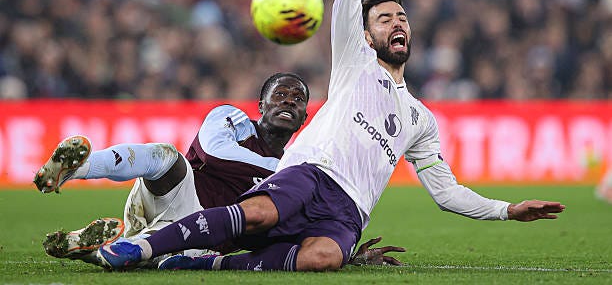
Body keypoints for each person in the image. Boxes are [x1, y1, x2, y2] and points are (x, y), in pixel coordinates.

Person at [95, 0, 565, 272]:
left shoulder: (420, 119)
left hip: (350, 209)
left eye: (402, 17)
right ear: (364, 33)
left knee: (323, 258)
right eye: (384, 18)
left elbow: (446, 193)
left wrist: (507, 210)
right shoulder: (354, 64)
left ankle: (200, 265)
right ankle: (143, 246)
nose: (396, 23)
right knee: (260, 213)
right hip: (311, 172)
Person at [36, 72, 402, 267]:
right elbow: (213, 153)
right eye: (280, 95)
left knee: (159, 259)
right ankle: (78, 166)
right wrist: (282, 167)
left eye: (298, 99)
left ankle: (90, 249)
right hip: (175, 192)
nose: (288, 101)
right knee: (164, 155)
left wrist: (345, 252)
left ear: (305, 117)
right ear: (261, 103)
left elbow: (295, 229)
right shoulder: (232, 119)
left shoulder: (297, 174)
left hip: (202, 235)